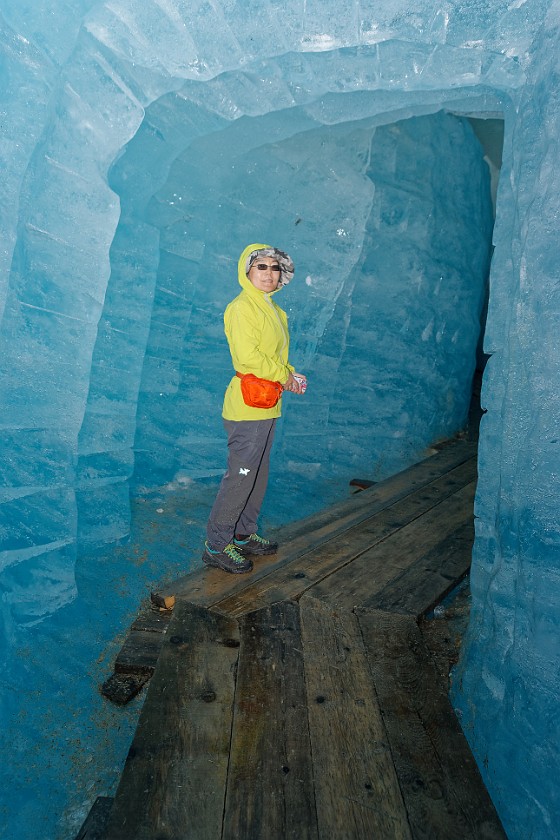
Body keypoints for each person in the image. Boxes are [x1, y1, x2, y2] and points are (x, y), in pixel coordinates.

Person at [203, 242, 306, 574]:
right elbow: (248, 358)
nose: (268, 273)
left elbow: (274, 357)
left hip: (267, 404)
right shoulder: (242, 307)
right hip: (247, 407)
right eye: (261, 266)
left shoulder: (273, 310)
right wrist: (284, 377)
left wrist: (288, 373)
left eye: (274, 268)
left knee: (256, 477)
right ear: (246, 271)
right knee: (241, 476)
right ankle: (217, 545)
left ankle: (243, 534)